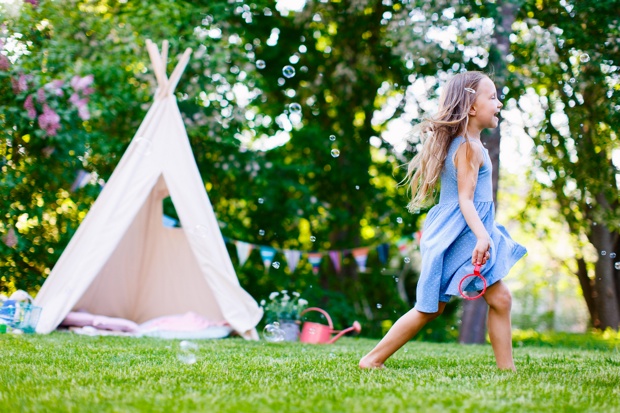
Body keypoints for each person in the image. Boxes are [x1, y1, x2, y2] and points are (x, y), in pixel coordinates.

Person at [359, 71, 527, 371]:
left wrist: (482, 233)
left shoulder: (470, 144)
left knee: (499, 298)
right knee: (431, 307)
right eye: (492, 97)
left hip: (464, 229)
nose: (499, 103)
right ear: (472, 107)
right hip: (462, 232)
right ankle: (372, 359)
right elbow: (465, 200)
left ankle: (507, 370)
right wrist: (482, 236)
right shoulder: (469, 147)